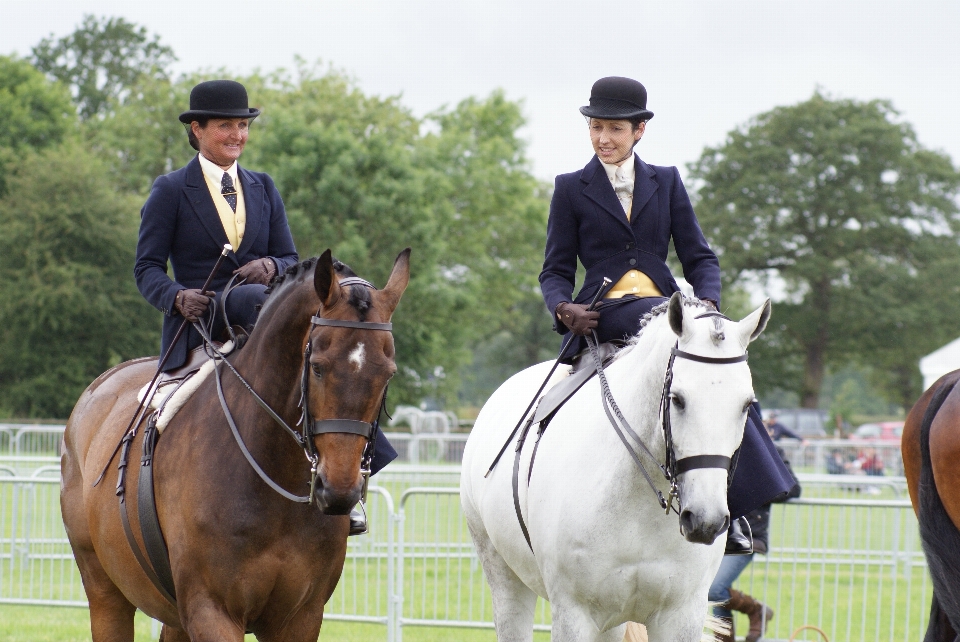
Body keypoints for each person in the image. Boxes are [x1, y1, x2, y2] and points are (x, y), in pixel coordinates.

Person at [539, 76, 797, 553]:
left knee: (724, 382)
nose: (602, 139)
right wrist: (563, 307)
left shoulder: (668, 180)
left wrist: (711, 312)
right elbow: (554, 270)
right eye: (595, 128)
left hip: (669, 308)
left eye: (613, 129)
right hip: (604, 313)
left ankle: (738, 509)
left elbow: (700, 257)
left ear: (639, 131)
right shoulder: (570, 188)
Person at [134, 79, 395, 534]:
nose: (237, 135)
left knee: (341, 368)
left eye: (242, 126)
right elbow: (147, 268)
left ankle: (357, 475)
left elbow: (292, 259)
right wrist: (177, 296)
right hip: (204, 318)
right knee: (261, 303)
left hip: (261, 318)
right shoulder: (171, 190)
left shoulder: (263, 187)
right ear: (196, 129)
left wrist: (270, 264)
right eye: (225, 127)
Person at [709, 447, 801, 642]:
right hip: (717, 535)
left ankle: (757, 610)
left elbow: (792, 488)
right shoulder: (722, 443)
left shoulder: (768, 450)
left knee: (714, 590)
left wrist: (752, 489)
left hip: (748, 536)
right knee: (718, 599)